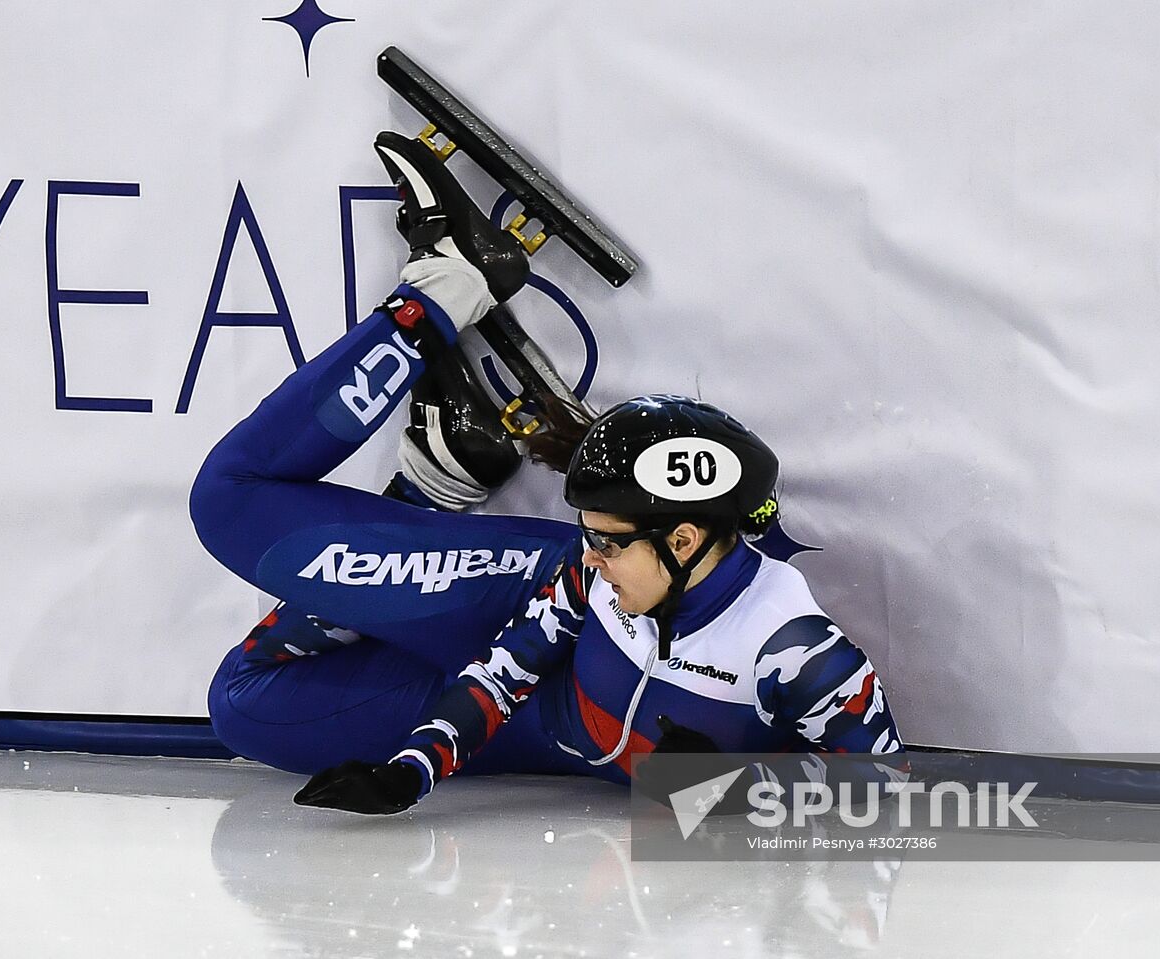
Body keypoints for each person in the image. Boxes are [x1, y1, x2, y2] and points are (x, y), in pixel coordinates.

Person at [190, 131, 902, 816]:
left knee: (243, 706)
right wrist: (412, 771)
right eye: (588, 535)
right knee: (229, 502)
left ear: (683, 541)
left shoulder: (793, 650)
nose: (589, 558)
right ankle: (442, 294)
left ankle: (433, 481)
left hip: (556, 735)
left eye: (608, 542)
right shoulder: (592, 573)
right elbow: (505, 670)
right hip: (508, 604)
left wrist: (732, 790)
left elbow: (884, 791)